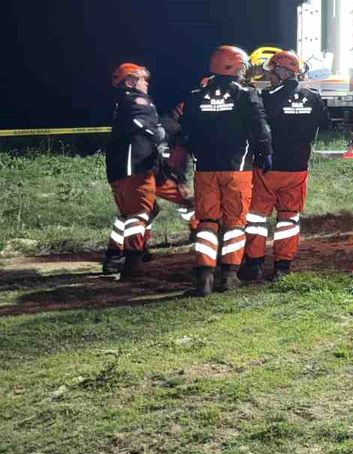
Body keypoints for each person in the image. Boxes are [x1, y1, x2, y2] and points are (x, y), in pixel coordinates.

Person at [179, 46, 272, 297]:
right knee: (234, 222)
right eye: (241, 66)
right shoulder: (245, 94)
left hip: (205, 169)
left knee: (207, 222)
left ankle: (204, 278)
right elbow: (261, 129)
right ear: (232, 67)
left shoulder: (196, 94)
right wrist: (265, 155)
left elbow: (185, 132)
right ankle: (229, 276)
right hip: (237, 169)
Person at [240, 50, 326, 282]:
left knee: (257, 217)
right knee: (289, 218)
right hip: (297, 168)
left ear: (281, 71)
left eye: (271, 70)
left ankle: (254, 264)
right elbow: (320, 123)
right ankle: (282, 266)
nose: (269, 75)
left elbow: (255, 128)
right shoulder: (313, 97)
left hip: (267, 168)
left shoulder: (266, 98)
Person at [103, 63, 192, 279]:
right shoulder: (137, 101)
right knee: (138, 213)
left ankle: (117, 254)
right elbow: (147, 127)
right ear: (130, 81)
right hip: (137, 168)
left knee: (137, 213)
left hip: (131, 168)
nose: (146, 83)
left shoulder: (122, 102)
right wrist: (159, 138)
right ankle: (132, 263)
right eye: (142, 79)